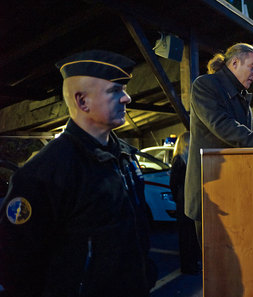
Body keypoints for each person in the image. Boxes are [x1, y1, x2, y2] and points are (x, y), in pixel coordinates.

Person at [0, 50, 157, 296]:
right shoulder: (44, 173)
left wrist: (145, 274)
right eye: (115, 90)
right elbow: (16, 265)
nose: (127, 98)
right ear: (83, 101)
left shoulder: (124, 156)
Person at [185, 43, 253, 243]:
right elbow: (225, 127)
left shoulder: (241, 95)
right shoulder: (205, 86)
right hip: (212, 192)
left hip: (236, 190)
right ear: (235, 62)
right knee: (216, 266)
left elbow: (252, 127)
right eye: (252, 66)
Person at [169, 131, 201, 274]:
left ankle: (192, 264)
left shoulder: (182, 159)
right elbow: (174, 183)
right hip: (185, 200)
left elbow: (173, 184)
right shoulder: (181, 160)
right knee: (187, 236)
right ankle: (189, 266)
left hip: (184, 199)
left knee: (189, 236)